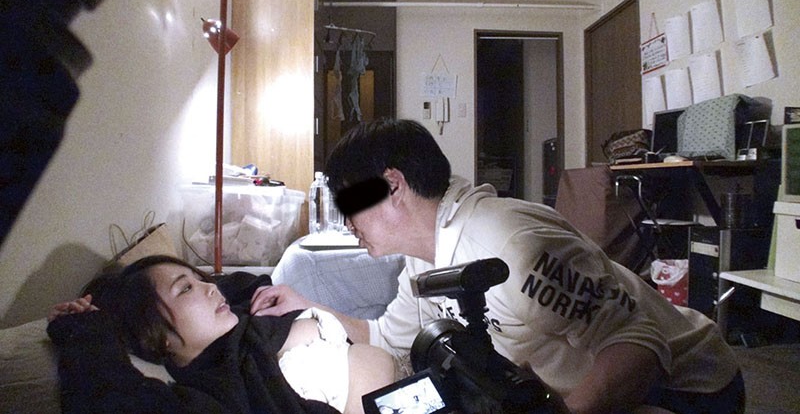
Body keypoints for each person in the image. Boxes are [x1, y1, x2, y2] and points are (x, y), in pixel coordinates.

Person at [253, 119, 746, 414]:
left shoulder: (508, 244)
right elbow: (385, 338)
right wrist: (306, 302)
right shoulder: (421, 259)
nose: (347, 221)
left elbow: (638, 345)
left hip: (692, 386)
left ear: (393, 186)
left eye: (350, 204)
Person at [47, 254, 395, 414]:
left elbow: (228, 285)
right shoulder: (213, 392)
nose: (211, 288)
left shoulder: (243, 315)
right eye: (186, 289)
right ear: (157, 336)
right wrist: (86, 330)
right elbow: (111, 396)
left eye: (201, 279)